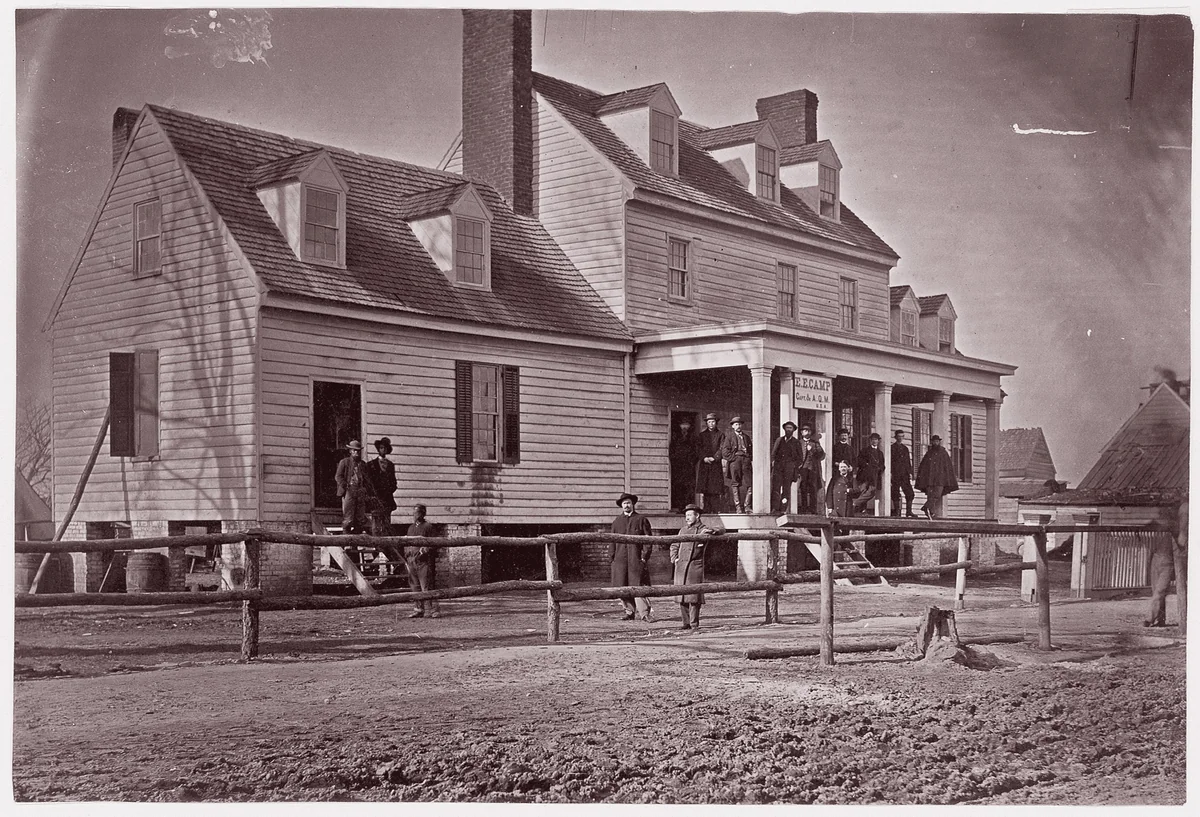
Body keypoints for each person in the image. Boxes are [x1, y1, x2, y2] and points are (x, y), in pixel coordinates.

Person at [672, 504, 717, 630]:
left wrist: (711, 531)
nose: (687, 518)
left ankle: (694, 623)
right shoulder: (682, 530)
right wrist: (674, 558)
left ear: (697, 516)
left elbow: (720, 529)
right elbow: (674, 545)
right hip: (681, 566)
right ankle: (685, 623)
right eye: (686, 515)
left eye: (690, 515)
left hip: (694, 566)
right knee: (681, 595)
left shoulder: (703, 528)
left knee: (693, 596)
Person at [609, 492, 653, 621]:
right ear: (621, 506)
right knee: (622, 586)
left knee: (638, 586)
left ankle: (644, 614)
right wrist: (612, 558)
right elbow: (612, 541)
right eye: (624, 504)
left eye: (628, 503)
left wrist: (644, 557)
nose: (626, 505)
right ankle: (629, 612)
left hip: (636, 559)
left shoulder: (641, 520)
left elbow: (648, 540)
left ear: (633, 504)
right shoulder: (617, 522)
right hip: (620, 559)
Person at [404, 504, 441, 618]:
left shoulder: (428, 527)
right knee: (415, 587)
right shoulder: (411, 528)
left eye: (418, 513)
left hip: (423, 562)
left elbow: (435, 544)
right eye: (414, 512)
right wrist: (407, 554)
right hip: (412, 561)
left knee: (426, 586)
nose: (415, 515)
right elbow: (407, 543)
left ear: (423, 514)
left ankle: (433, 610)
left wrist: (426, 550)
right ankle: (418, 609)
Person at [334, 440, 374, 535]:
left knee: (360, 518)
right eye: (354, 450)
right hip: (349, 491)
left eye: (358, 451)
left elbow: (367, 480)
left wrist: (365, 489)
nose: (356, 452)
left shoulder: (363, 464)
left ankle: (355, 543)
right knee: (348, 518)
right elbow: (338, 476)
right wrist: (346, 486)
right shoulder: (344, 462)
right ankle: (346, 539)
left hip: (360, 492)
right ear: (350, 451)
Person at [915, 435, 959, 518]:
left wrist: (947, 479)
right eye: (934, 441)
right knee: (930, 495)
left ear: (939, 442)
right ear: (931, 442)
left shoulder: (943, 453)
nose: (935, 443)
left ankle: (926, 507)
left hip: (940, 480)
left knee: (937, 495)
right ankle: (930, 513)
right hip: (930, 480)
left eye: (937, 441)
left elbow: (947, 466)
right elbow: (923, 466)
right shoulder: (929, 454)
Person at [365, 437, 398, 537]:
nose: (383, 450)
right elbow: (368, 483)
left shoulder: (391, 465)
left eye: (385, 448)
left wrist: (388, 491)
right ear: (378, 449)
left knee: (386, 524)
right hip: (376, 499)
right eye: (381, 448)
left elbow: (394, 483)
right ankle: (376, 548)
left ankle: (386, 548)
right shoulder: (371, 465)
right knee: (376, 525)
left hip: (387, 500)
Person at [719, 416, 753, 513]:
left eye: (740, 424)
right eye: (736, 424)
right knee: (735, 483)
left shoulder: (746, 437)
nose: (738, 426)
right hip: (735, 462)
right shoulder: (729, 437)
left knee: (750, 484)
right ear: (733, 426)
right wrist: (734, 459)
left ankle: (747, 506)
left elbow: (751, 451)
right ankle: (738, 507)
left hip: (746, 461)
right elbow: (725, 452)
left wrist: (748, 458)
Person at [695, 413, 726, 514]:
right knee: (706, 487)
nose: (711, 424)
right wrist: (704, 458)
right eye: (709, 422)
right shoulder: (702, 435)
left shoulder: (721, 435)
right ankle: (706, 509)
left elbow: (722, 448)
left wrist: (715, 458)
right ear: (706, 423)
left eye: (713, 422)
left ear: (716, 423)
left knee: (715, 488)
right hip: (705, 464)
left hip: (715, 465)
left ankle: (716, 508)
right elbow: (698, 448)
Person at [771, 421, 803, 513]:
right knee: (776, 488)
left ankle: (783, 508)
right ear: (784, 429)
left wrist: (793, 467)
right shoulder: (779, 440)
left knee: (786, 490)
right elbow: (773, 454)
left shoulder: (796, 442)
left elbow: (800, 458)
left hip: (789, 469)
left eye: (790, 428)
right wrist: (774, 464)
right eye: (787, 428)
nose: (788, 430)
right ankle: (775, 508)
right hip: (778, 468)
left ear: (793, 430)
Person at [668, 417, 700, 512]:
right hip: (678, 467)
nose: (685, 427)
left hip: (689, 466)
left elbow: (696, 452)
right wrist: (675, 462)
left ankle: (688, 507)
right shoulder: (675, 437)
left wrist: (692, 462)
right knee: (679, 487)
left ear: (689, 426)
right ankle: (680, 507)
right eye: (683, 425)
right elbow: (672, 451)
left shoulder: (693, 437)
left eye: (687, 425)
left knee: (689, 487)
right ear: (680, 426)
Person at [853, 432, 885, 516]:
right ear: (870, 441)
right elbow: (859, 461)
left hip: (874, 476)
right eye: (873, 439)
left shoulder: (880, 453)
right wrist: (867, 465)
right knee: (863, 490)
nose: (874, 441)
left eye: (876, 440)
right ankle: (863, 510)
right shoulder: (865, 450)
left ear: (878, 441)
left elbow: (882, 465)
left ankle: (855, 503)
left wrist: (879, 469)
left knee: (871, 491)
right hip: (865, 475)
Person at [890, 429, 917, 518]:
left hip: (904, 475)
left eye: (902, 436)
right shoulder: (892, 448)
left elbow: (908, 462)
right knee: (895, 493)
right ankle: (897, 512)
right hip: (895, 474)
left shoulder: (905, 449)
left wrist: (910, 472)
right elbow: (890, 462)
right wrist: (890, 473)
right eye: (899, 437)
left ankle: (909, 511)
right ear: (895, 437)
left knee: (910, 493)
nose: (900, 438)